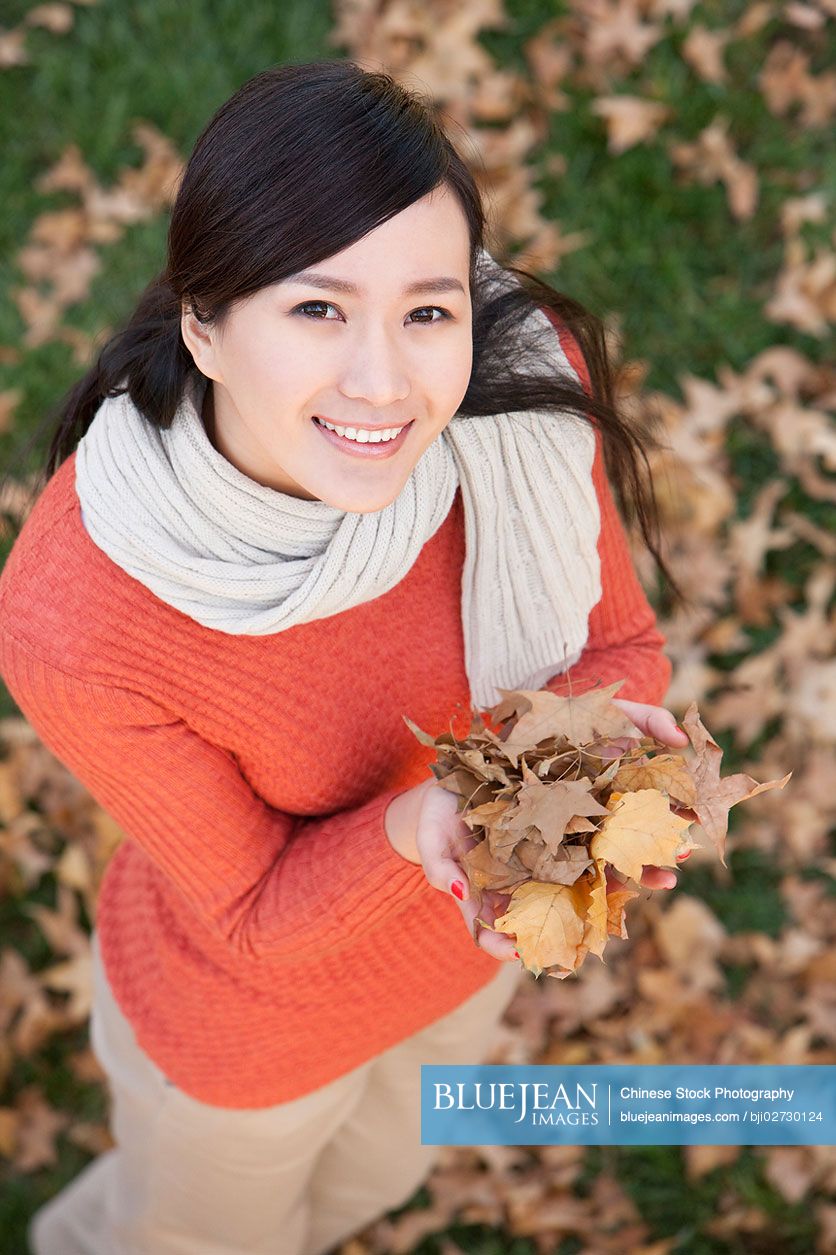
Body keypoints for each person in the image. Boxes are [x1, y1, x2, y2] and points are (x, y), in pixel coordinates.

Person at [0, 59, 693, 1255]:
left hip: (460, 967)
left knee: (364, 1195)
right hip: (247, 1042)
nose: (384, 381)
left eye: (427, 310)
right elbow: (254, 914)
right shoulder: (81, 611)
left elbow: (614, 649)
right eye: (315, 308)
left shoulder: (513, 399)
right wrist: (420, 820)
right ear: (204, 327)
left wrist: (585, 784)